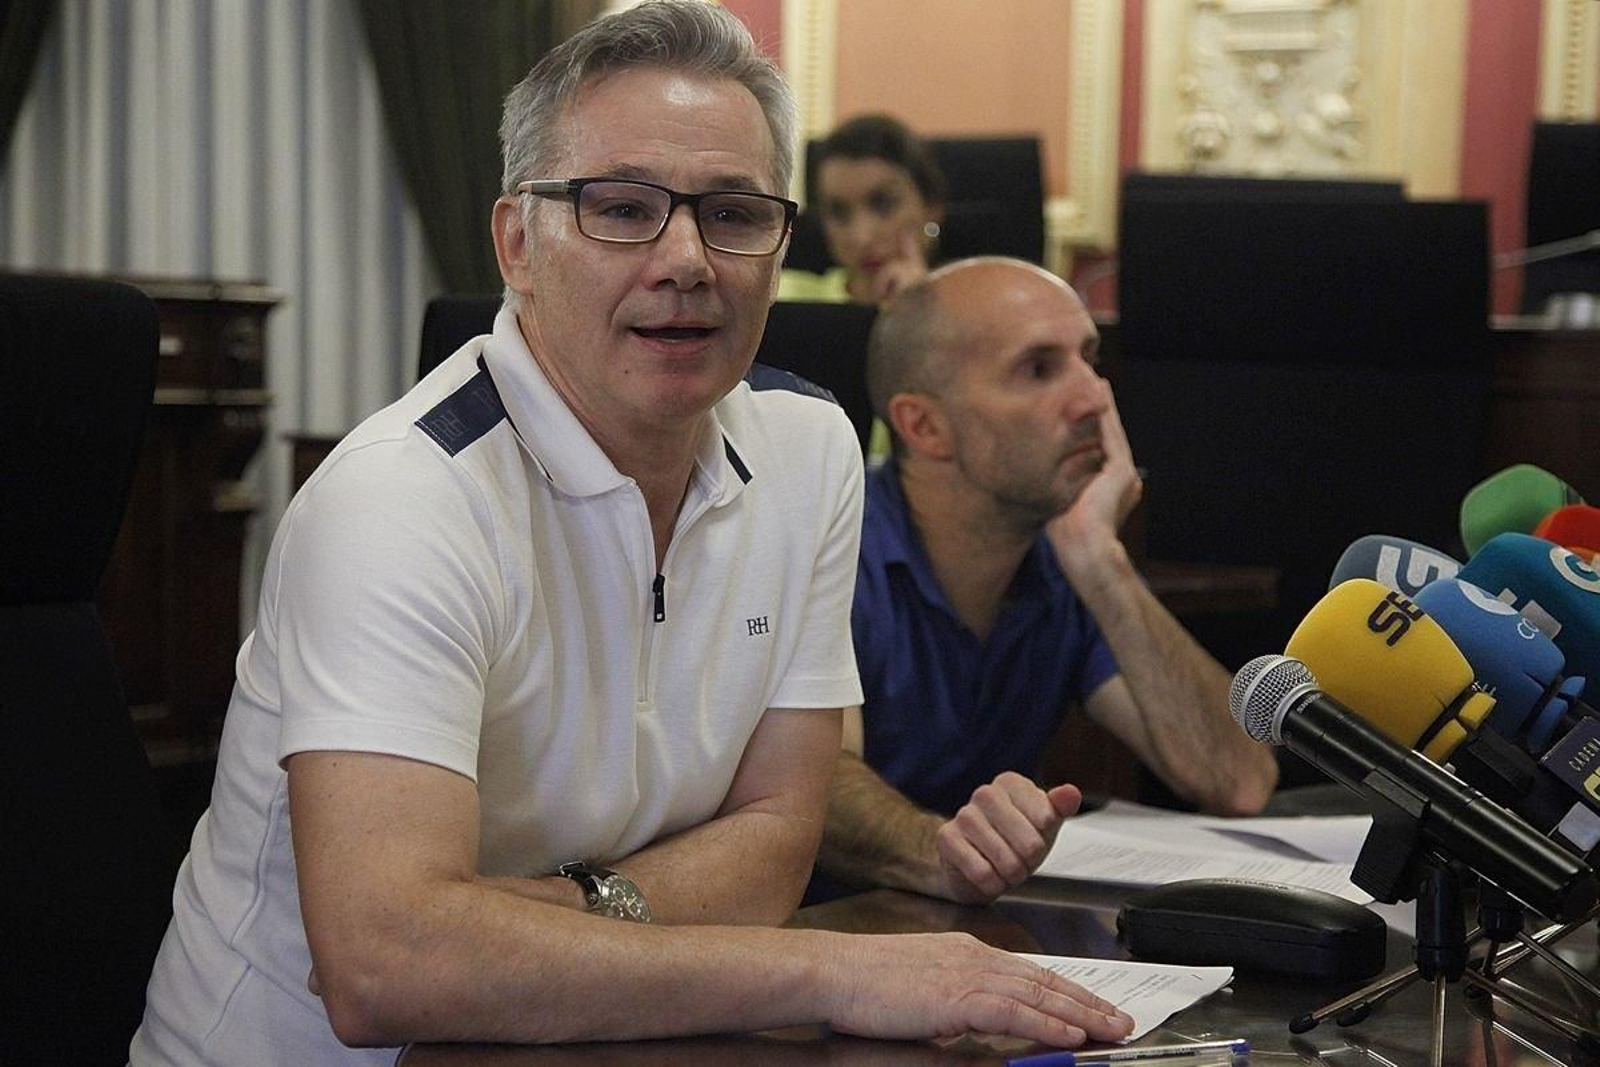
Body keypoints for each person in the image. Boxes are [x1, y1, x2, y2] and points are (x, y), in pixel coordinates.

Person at [130, 6, 1134, 1063]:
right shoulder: (397, 497)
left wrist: (508, 920)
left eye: (734, 213)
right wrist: (843, 966)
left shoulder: (811, 453)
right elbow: (385, 967)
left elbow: (776, 848)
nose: (687, 258)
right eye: (622, 209)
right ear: (518, 243)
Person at [816, 258, 1281, 905]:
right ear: (924, 426)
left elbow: (1237, 781)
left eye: (1089, 359)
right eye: (1038, 368)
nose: (1095, 396)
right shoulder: (830, 542)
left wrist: (1101, 560)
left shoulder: (1059, 559)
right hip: (814, 948)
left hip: (961, 943)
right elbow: (814, 782)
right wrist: (945, 849)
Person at [779, 113, 945, 306]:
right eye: (838, 213)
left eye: (884, 205)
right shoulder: (780, 298)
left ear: (932, 207)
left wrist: (920, 309)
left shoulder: (967, 308)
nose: (861, 237)